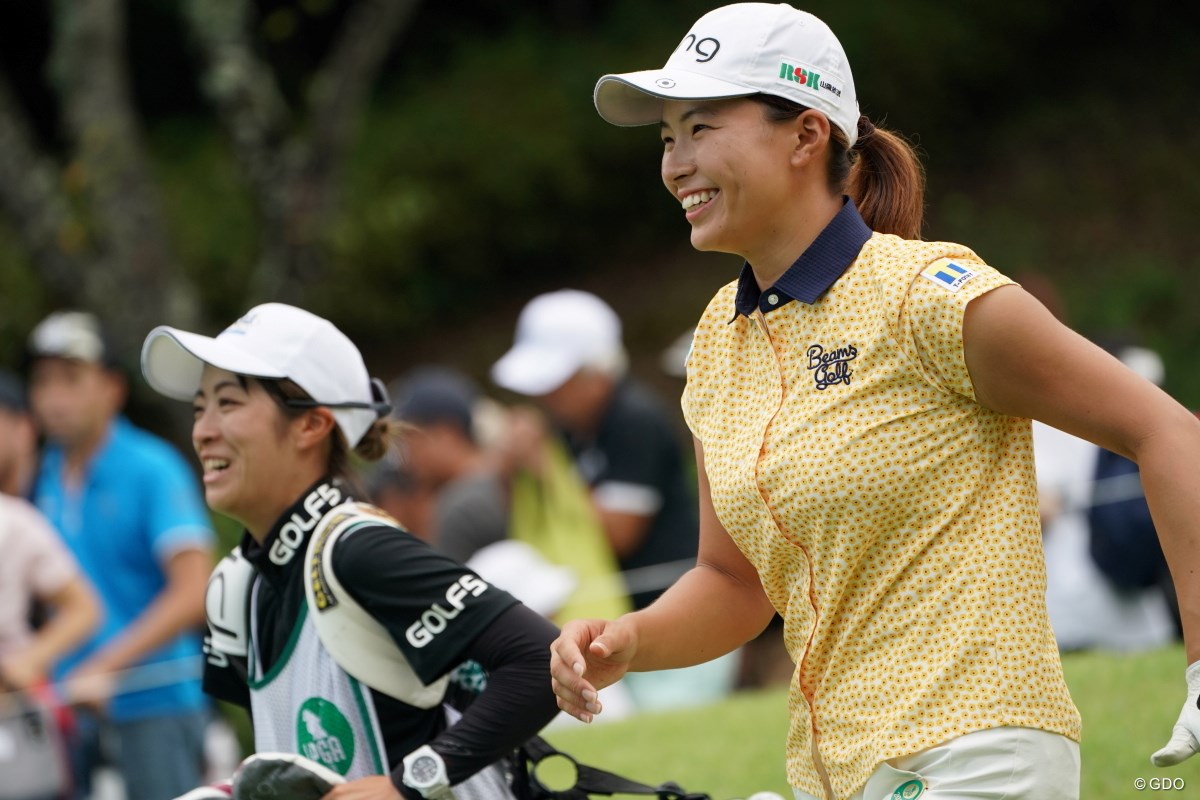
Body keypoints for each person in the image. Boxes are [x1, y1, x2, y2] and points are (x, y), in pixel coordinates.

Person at [547, 4, 1200, 800]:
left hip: (979, 754)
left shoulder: (928, 294)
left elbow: (1167, 431)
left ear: (805, 135)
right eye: (666, 137)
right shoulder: (719, 339)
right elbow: (733, 583)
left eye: (702, 127)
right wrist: (630, 640)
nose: (676, 163)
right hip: (839, 775)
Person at [140, 303, 559, 799]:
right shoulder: (236, 586)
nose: (203, 430)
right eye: (199, 408)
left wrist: (407, 784)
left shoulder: (357, 549)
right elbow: (296, 761)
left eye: (228, 404)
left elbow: (541, 660)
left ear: (310, 426)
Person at [25, 311, 216, 800]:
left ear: (112, 388)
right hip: (65, 710)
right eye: (43, 381)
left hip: (155, 704)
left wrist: (106, 665)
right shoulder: (42, 476)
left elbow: (195, 590)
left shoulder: (153, 467)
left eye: (71, 379)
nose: (54, 398)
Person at [491, 289, 698, 613]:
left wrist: (545, 466)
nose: (545, 396)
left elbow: (619, 535)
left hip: (675, 609)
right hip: (622, 615)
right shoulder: (564, 428)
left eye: (557, 382)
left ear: (597, 374)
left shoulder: (634, 420)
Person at [1035, 341, 1178, 651]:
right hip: (1139, 622)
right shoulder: (1144, 424)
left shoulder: (1041, 422)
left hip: (1072, 613)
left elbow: (1037, 511)